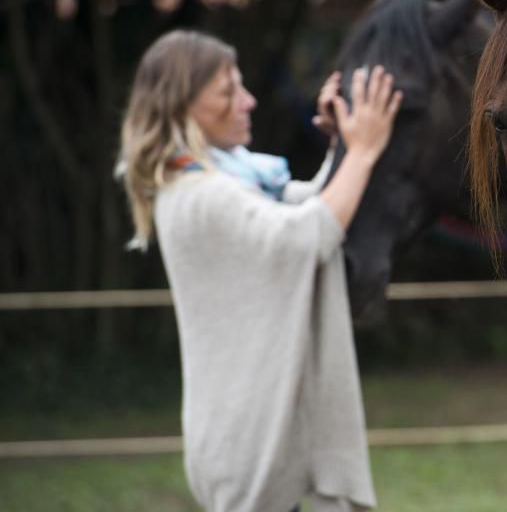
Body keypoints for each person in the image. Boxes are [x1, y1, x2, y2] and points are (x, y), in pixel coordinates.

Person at [117, 29, 401, 512]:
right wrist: (363, 152)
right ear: (183, 107)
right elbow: (306, 235)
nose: (248, 101)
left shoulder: (224, 182)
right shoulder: (200, 195)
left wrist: (339, 146)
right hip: (248, 447)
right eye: (229, 92)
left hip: (253, 436)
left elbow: (307, 206)